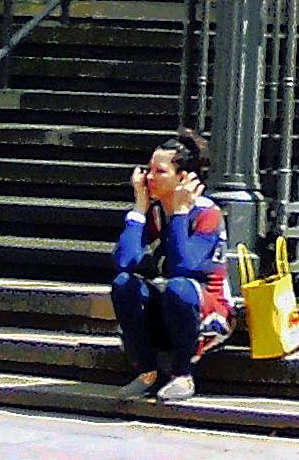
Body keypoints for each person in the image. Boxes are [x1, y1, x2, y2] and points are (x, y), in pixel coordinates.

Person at [111, 127, 231, 401]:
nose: (149, 177)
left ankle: (182, 375)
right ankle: (146, 372)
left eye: (160, 171)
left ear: (184, 177)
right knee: (123, 284)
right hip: (168, 304)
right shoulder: (154, 212)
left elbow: (184, 266)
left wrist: (179, 213)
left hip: (205, 308)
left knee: (179, 287)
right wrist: (139, 210)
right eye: (149, 170)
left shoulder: (207, 214)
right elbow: (124, 262)